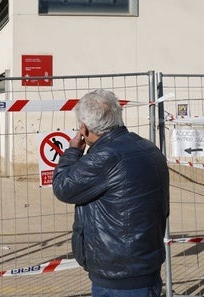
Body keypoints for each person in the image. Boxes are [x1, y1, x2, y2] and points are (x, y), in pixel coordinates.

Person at [52, 89, 169, 297]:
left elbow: (63, 187)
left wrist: (72, 151)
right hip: (147, 267)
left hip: (117, 277)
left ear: (85, 128)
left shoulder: (104, 157)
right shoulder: (149, 148)